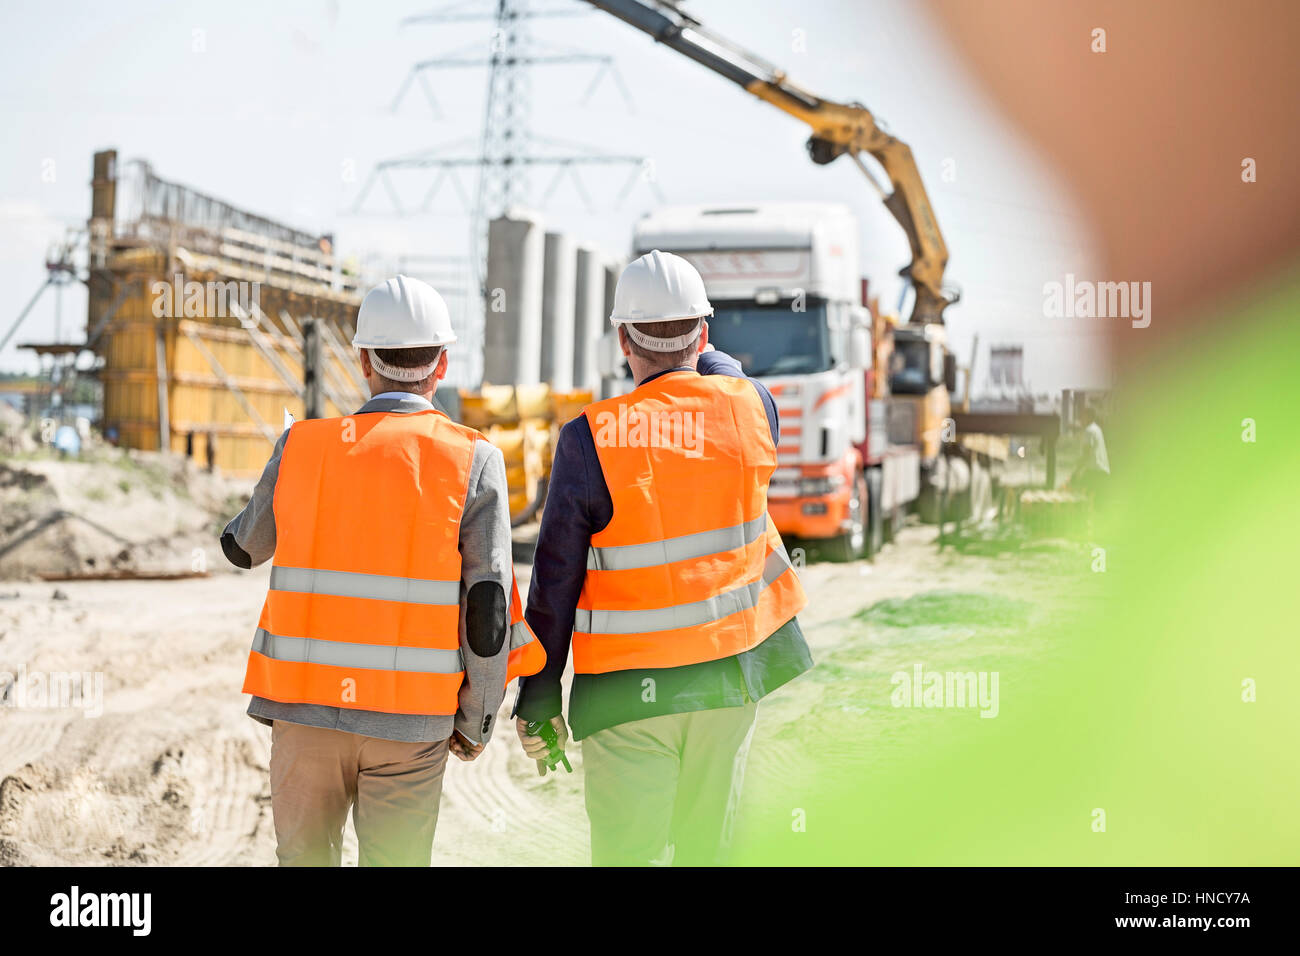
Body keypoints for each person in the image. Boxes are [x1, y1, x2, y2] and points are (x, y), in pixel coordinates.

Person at [221, 275, 544, 866]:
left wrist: (283, 462)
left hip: (304, 711)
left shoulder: (302, 446)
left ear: (364, 359)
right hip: (411, 726)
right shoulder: (474, 459)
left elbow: (244, 548)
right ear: (442, 363)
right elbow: (488, 608)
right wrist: (477, 716)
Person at [515, 250, 812, 866]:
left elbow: (555, 582)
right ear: (704, 331)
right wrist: (700, 347)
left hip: (626, 699)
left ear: (623, 337)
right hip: (727, 684)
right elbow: (724, 373)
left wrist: (539, 697)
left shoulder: (589, 437)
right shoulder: (752, 408)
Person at [1070, 404, 1109, 498]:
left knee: (1081, 497)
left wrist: (1076, 472)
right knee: (1097, 504)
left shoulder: (1089, 431)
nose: (1080, 419)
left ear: (1088, 417)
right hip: (1102, 471)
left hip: (1095, 472)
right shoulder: (1097, 429)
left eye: (1082, 417)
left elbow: (1086, 453)